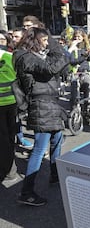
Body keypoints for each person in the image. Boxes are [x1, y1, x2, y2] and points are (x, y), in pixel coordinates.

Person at [13, 27, 68, 206]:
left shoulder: (33, 56)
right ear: (34, 41)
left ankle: (55, 174)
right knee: (39, 149)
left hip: (50, 103)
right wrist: (56, 46)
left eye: (47, 40)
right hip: (41, 104)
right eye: (43, 40)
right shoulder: (25, 57)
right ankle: (26, 192)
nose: (46, 43)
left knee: (57, 139)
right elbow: (50, 68)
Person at [0, 31, 19, 184]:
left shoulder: (11, 57)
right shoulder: (11, 57)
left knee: (5, 138)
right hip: (11, 102)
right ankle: (10, 170)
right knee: (9, 137)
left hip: (9, 104)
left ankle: (8, 170)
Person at [67, 29, 90, 107]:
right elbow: (72, 61)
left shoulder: (88, 45)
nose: (77, 38)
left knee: (88, 93)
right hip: (75, 73)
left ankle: (87, 109)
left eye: (79, 37)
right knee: (75, 94)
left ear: (83, 37)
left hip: (86, 72)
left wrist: (89, 54)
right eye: (75, 37)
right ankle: (75, 110)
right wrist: (84, 56)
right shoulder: (72, 46)